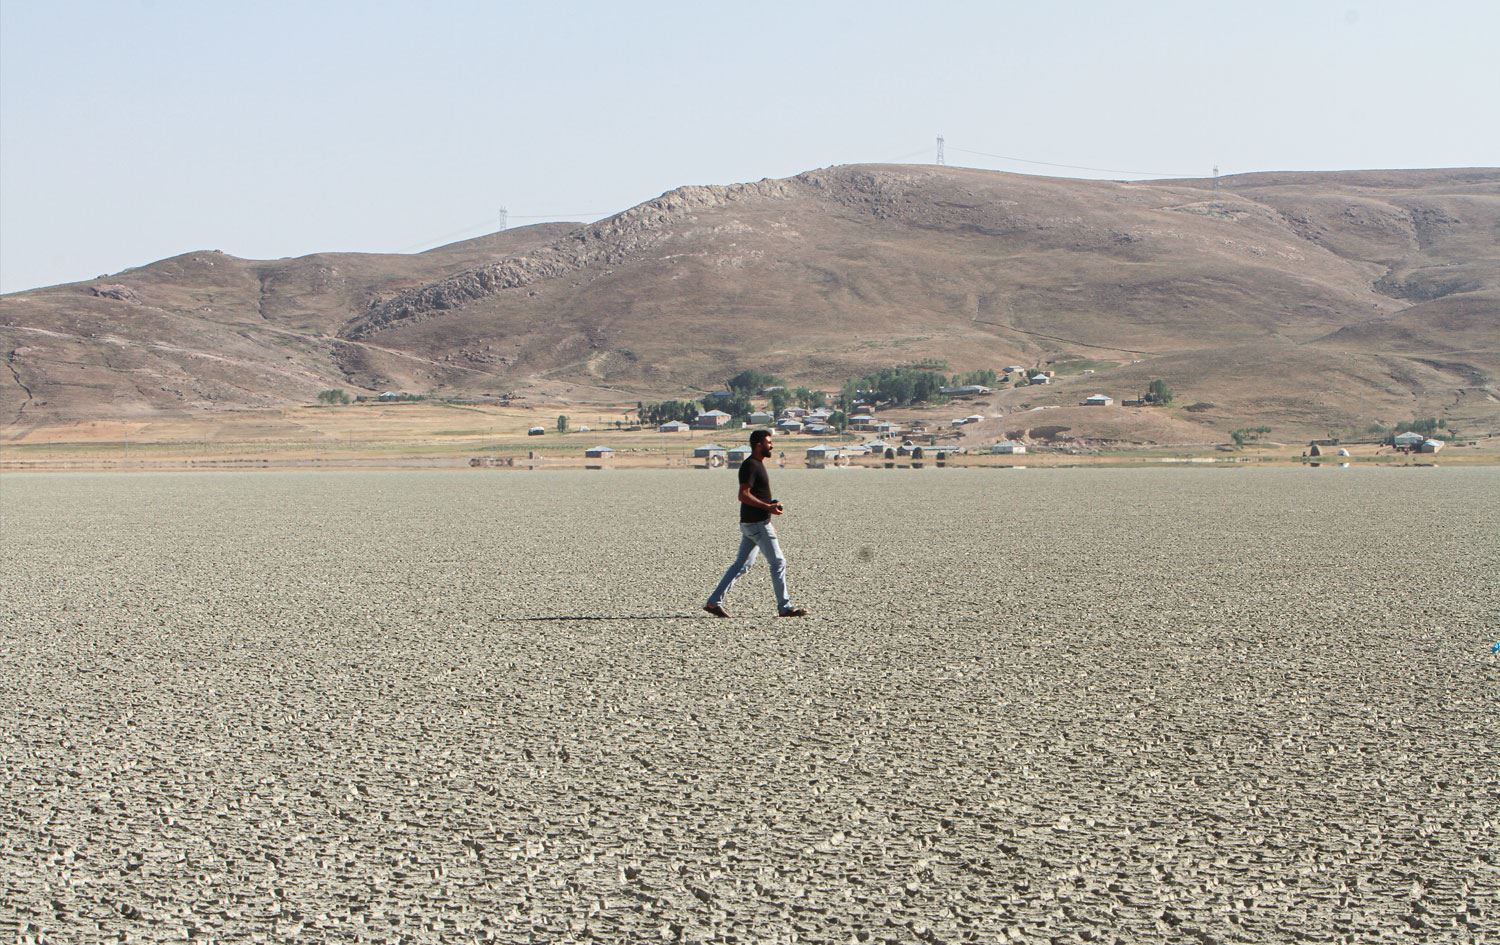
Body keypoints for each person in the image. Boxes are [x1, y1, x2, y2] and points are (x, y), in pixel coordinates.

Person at [704, 430, 807, 618]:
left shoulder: (756, 464)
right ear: (759, 444)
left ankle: (713, 602)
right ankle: (785, 607)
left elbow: (755, 495)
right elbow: (743, 494)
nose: (772, 446)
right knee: (778, 562)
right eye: (769, 442)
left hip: (752, 524)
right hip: (757, 524)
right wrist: (767, 507)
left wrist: (770, 507)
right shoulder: (751, 465)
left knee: (742, 565)